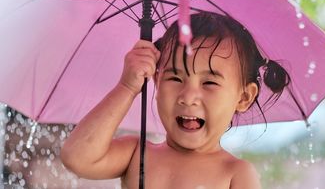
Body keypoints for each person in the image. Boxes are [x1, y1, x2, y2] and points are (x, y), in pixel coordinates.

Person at [61, 12, 290, 189]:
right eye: (174, 77)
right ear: (156, 81)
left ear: (244, 97)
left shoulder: (235, 173)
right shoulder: (137, 154)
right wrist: (127, 87)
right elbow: (77, 157)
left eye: (209, 83)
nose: (188, 97)